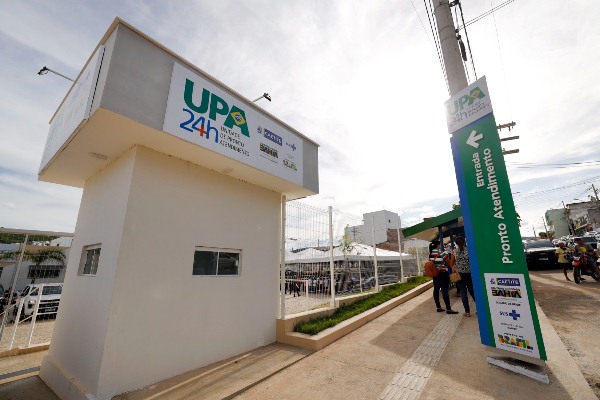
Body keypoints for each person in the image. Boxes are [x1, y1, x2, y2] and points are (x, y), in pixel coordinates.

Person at [429, 240, 458, 314]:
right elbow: (449, 263)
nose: (440, 246)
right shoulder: (441, 253)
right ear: (437, 245)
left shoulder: (431, 254)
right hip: (443, 273)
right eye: (439, 245)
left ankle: (438, 307)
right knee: (444, 290)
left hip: (435, 274)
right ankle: (448, 308)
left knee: (436, 290)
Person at [452, 236, 475, 317]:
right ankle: (479, 309)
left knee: (463, 292)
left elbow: (451, 263)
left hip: (460, 274)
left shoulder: (455, 251)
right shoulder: (469, 250)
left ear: (456, 243)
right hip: (469, 273)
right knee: (472, 291)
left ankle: (467, 312)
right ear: (464, 242)